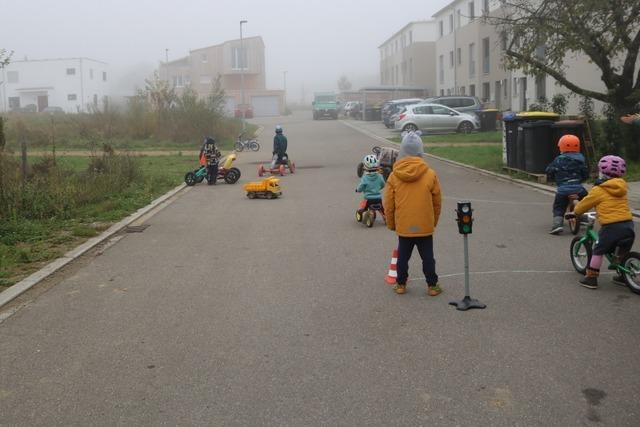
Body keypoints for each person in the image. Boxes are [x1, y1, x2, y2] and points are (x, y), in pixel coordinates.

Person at [383, 131, 442, 296]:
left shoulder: (395, 175)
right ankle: (432, 286)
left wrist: (391, 223)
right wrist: (433, 221)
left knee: (402, 257)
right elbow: (437, 202)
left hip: (404, 224)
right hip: (424, 224)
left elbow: (388, 203)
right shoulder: (430, 174)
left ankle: (401, 284)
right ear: (420, 150)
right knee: (428, 257)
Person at [570, 155, 634, 289]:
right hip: (628, 225)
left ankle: (591, 278)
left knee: (598, 250)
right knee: (622, 251)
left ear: (601, 172)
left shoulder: (598, 190)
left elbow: (584, 205)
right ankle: (623, 276)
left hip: (611, 226)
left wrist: (575, 212)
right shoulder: (622, 188)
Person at [545, 134, 589, 234]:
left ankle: (557, 224)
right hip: (579, 189)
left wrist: (552, 178)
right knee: (586, 200)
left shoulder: (558, 160)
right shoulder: (581, 160)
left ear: (561, 147)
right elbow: (585, 173)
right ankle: (583, 218)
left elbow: (549, 170)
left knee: (559, 206)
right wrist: (582, 179)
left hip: (563, 190)